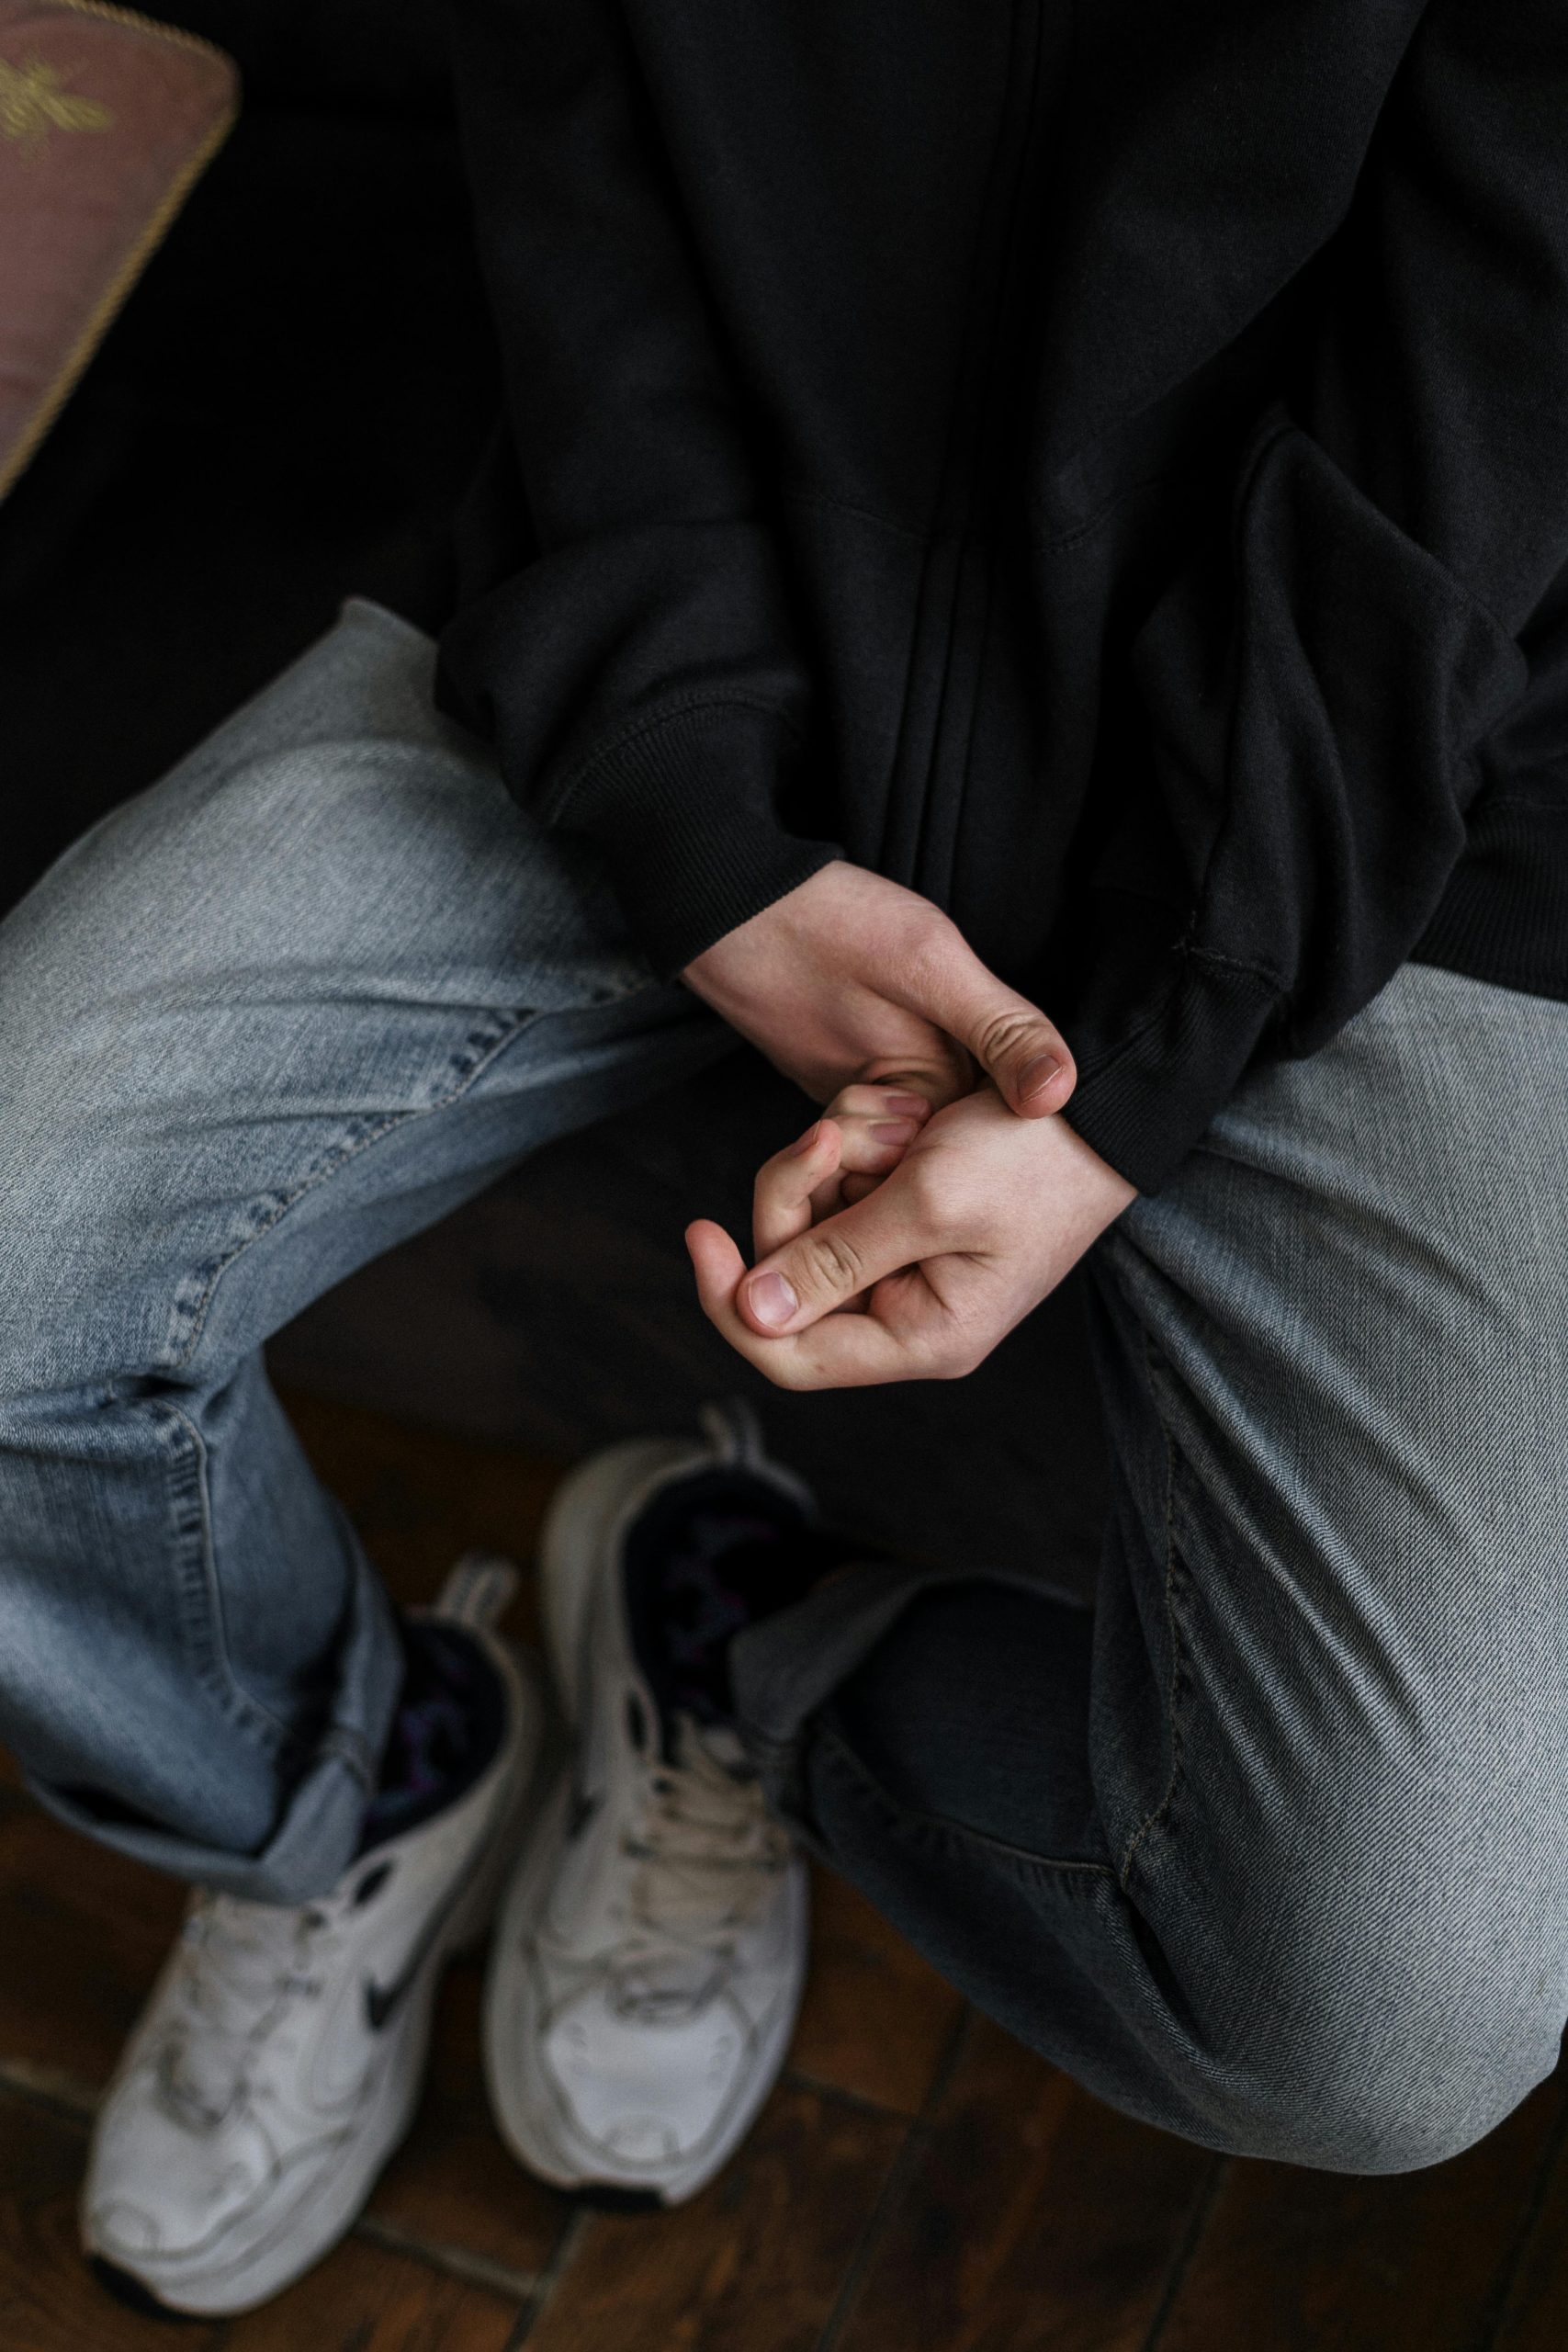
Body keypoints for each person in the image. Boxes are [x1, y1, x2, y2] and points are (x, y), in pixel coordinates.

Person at [3, 0, 1568, 2319]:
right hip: (691, 607)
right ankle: (362, 1784)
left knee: (1384, 2010)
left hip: (1392, 804)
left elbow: (1503, 345)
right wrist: (683, 789)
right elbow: (573, 137)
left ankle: (719, 1639)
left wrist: (1138, 1049)